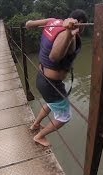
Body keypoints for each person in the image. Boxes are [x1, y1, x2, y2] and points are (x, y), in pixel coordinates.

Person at [25, 9, 87, 146]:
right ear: (80, 23)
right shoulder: (69, 34)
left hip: (41, 77)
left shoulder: (52, 21)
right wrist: (69, 34)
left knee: (51, 104)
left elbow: (29, 24)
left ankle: (35, 125)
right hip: (51, 84)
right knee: (64, 117)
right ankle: (39, 136)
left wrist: (29, 23)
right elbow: (54, 56)